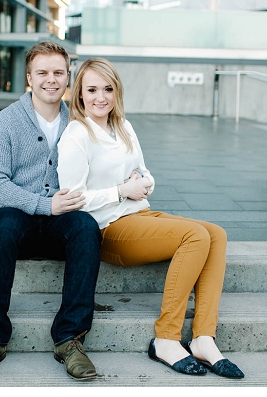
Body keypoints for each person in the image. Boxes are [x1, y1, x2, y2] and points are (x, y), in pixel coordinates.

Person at [56, 58, 244, 379]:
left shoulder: (123, 126)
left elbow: (145, 173)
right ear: (80, 95)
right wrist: (121, 190)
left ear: (117, 91)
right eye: (92, 90)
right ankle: (167, 339)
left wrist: (142, 184)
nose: (100, 97)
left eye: (108, 89)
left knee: (216, 234)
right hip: (108, 229)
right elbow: (73, 199)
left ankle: (203, 338)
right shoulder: (77, 135)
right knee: (195, 236)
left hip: (141, 215)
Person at [0, 42, 102, 382]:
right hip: (19, 219)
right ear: (29, 77)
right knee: (3, 223)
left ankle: (70, 340)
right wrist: (44, 204)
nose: (51, 80)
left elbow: (104, 166)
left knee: (86, 227)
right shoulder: (7, 121)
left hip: (63, 222)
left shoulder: (81, 120)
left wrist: (132, 176)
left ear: (68, 76)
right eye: (42, 72)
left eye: (58, 72)